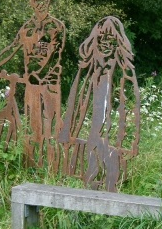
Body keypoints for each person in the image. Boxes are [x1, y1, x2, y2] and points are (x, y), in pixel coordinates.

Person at [0, 0, 66, 171]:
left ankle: (53, 169)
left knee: (50, 127)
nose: (40, 4)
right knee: (32, 126)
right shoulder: (27, 27)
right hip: (31, 86)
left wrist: (39, 75)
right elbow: (12, 48)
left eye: (43, 0)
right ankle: (31, 167)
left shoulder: (55, 26)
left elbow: (55, 55)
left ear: (49, 1)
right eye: (36, 0)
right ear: (31, 2)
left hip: (49, 85)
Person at [58, 16, 140, 192]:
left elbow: (134, 107)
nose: (105, 43)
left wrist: (132, 142)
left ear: (118, 43)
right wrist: (67, 132)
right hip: (91, 138)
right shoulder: (88, 71)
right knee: (90, 163)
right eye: (102, 38)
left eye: (110, 40)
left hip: (113, 139)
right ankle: (90, 193)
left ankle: (108, 202)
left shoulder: (123, 73)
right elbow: (74, 101)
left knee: (110, 171)